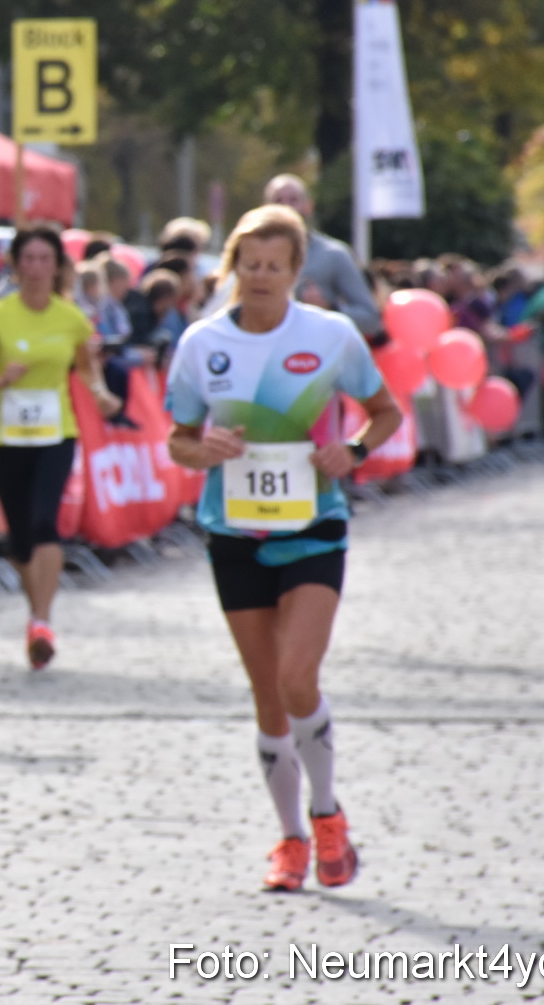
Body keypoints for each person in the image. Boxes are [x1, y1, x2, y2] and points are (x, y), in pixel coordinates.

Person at [165, 204, 402, 892]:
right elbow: (177, 439)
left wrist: (352, 449)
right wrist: (199, 446)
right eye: (251, 263)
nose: (262, 276)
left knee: (300, 675)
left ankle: (328, 815)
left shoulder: (330, 335)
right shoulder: (201, 342)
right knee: (268, 695)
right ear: (233, 265)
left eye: (276, 265)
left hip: (314, 528)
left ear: (298, 271)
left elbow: (384, 411)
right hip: (233, 532)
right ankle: (290, 839)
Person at [0, 227, 120, 669]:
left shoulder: (71, 318)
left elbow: (87, 371)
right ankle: (37, 618)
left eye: (43, 259)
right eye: (26, 259)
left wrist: (102, 395)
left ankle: (43, 621)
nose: (34, 268)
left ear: (56, 267)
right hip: (7, 439)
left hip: (56, 434)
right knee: (19, 540)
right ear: (15, 264)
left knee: (45, 521)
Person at [262, 174, 387, 342]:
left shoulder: (333, 254)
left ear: (308, 206)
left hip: (316, 358)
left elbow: (371, 320)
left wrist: (329, 308)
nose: (286, 207)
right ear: (265, 209)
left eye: (293, 200)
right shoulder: (252, 258)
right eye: (278, 201)